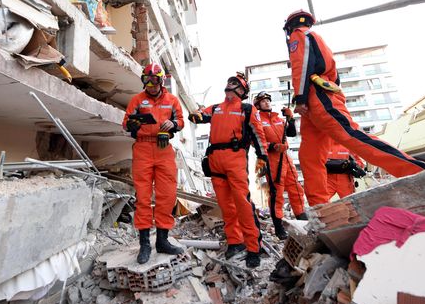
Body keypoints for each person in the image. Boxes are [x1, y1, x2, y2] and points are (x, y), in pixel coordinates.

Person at [283, 10, 425, 206]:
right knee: (309, 155)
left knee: (352, 136)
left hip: (315, 96)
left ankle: (420, 172)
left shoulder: (298, 35)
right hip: (317, 97)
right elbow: (334, 76)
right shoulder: (316, 38)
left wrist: (300, 97)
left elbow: (301, 66)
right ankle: (319, 207)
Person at [188, 72, 269, 268]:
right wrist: (196, 114)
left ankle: (253, 247)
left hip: (235, 159)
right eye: (229, 82)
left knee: (242, 203)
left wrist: (263, 157)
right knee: (226, 206)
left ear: (242, 91)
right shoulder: (215, 108)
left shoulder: (247, 109)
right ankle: (235, 241)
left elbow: (258, 135)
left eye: (235, 83)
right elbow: (198, 117)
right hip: (215, 160)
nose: (230, 85)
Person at [123, 63, 185, 264]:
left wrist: (173, 125)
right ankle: (144, 245)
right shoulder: (137, 100)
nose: (150, 84)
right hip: (142, 148)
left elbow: (181, 121)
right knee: (142, 196)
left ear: (161, 80)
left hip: (163, 149)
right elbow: (126, 122)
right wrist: (133, 124)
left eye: (154, 80)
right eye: (146, 80)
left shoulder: (172, 100)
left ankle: (162, 241)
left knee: (167, 195)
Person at [253, 92, 307, 240]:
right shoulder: (257, 121)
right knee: (276, 193)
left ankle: (302, 218)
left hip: (286, 158)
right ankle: (278, 227)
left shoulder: (278, 118)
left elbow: (291, 133)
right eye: (263, 101)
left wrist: (290, 118)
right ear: (257, 105)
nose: (267, 103)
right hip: (272, 159)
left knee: (296, 188)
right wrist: (273, 146)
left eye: (268, 100)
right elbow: (256, 141)